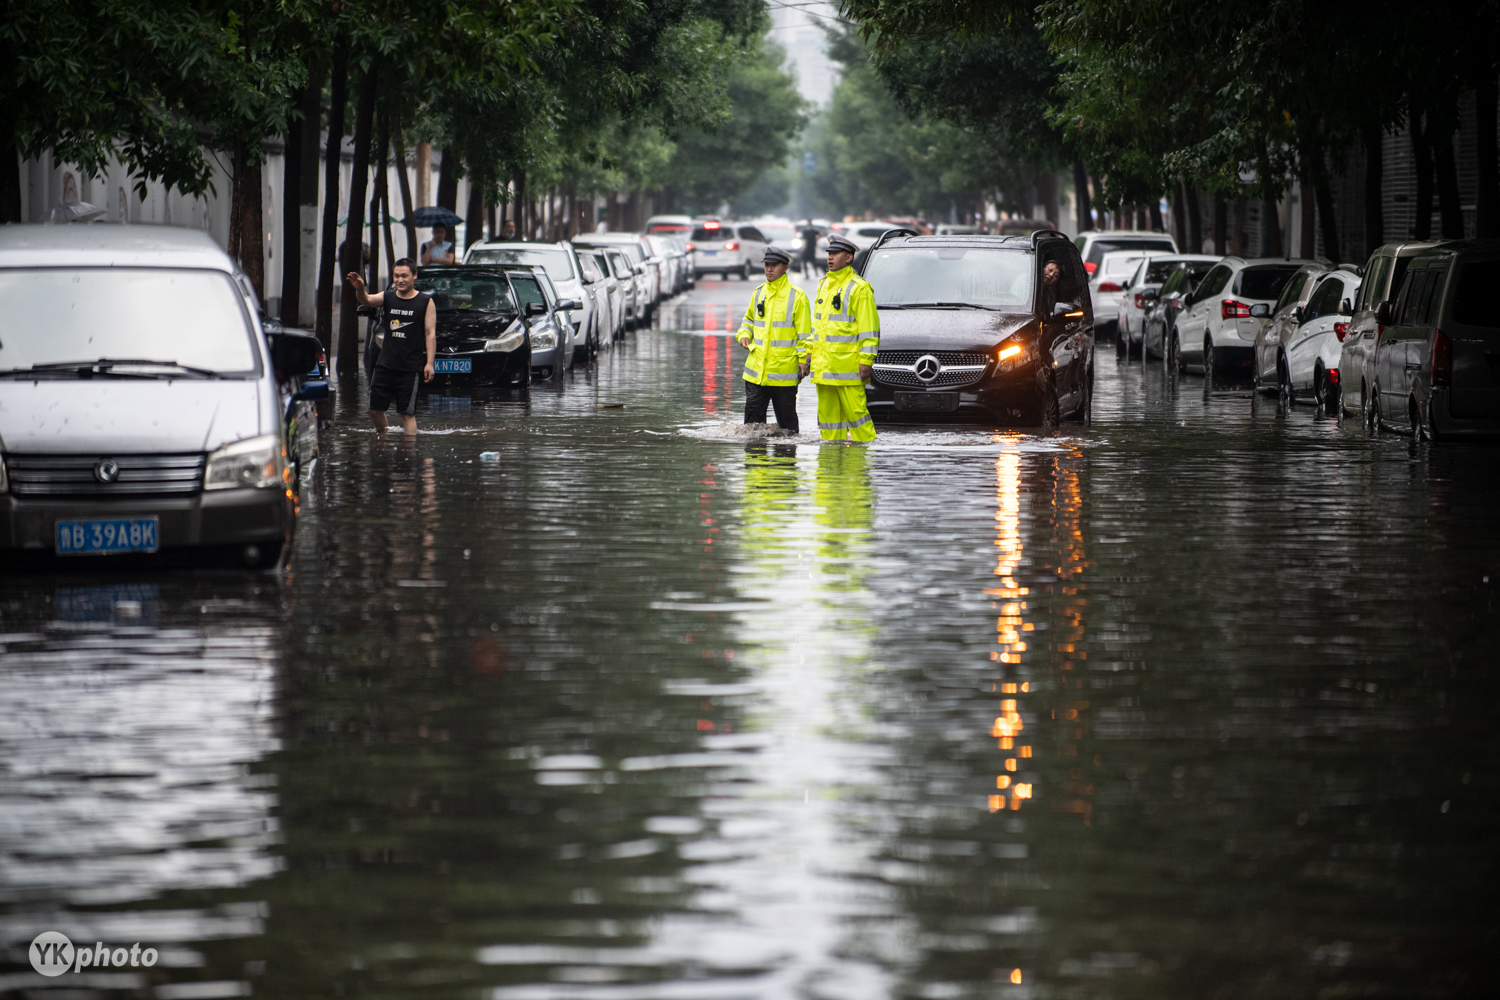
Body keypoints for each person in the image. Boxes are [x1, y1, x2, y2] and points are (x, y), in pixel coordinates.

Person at [802, 233, 878, 443]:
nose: (830, 257)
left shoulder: (859, 288)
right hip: (824, 367)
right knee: (828, 420)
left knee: (857, 416)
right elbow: (817, 326)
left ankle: (865, 457)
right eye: (829, 253)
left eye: (836, 253)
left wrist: (866, 361)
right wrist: (809, 353)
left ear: (849, 258)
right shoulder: (824, 285)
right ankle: (829, 467)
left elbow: (869, 329)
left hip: (848, 367)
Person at [346, 258, 435, 436]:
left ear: (414, 276)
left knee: (407, 414)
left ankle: (408, 454)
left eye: (404, 276)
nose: (400, 280)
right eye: (396, 276)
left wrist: (429, 364)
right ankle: (382, 442)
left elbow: (430, 334)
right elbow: (367, 300)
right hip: (385, 365)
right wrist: (360, 289)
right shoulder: (388, 297)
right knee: (374, 409)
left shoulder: (425, 302)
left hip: (410, 367)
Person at [736, 245, 812, 434]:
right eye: (766, 265)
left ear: (785, 267)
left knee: (787, 430)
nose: (769, 269)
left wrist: (804, 360)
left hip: (783, 373)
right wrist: (744, 334)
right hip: (756, 373)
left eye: (774, 265)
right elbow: (749, 319)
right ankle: (755, 463)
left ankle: (785, 461)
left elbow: (805, 335)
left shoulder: (797, 296)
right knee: (752, 430)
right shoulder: (759, 292)